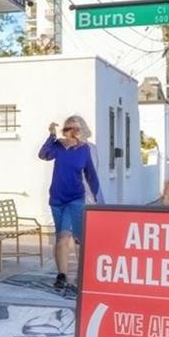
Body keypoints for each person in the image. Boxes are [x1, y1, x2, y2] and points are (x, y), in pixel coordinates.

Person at [38, 115, 101, 290]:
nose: (72, 132)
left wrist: (96, 199)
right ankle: (62, 275)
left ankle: (80, 274)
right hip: (57, 198)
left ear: (81, 131)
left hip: (75, 198)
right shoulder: (57, 146)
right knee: (61, 237)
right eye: (68, 128)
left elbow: (91, 174)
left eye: (76, 129)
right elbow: (43, 155)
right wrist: (51, 135)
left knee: (69, 236)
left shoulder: (85, 149)